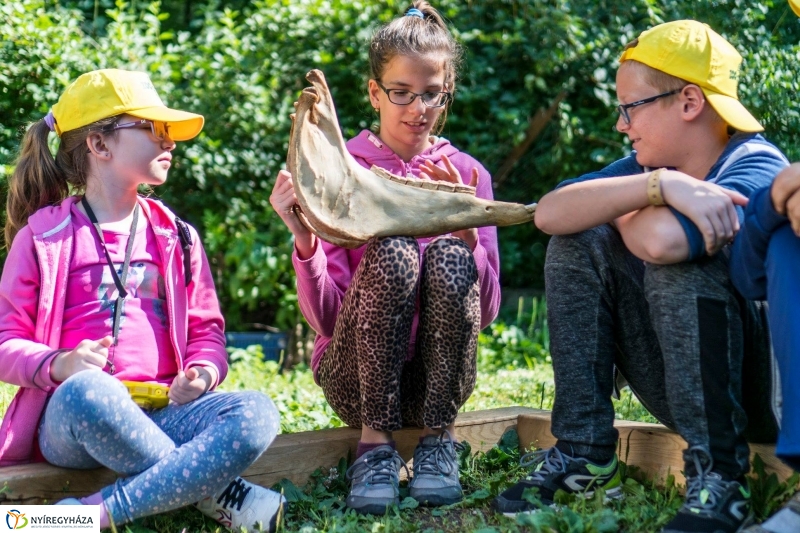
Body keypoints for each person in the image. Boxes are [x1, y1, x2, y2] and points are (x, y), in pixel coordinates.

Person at [491, 20, 788, 533]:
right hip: (682, 384)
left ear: (689, 102)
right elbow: (551, 214)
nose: (622, 125)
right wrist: (659, 186)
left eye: (630, 107)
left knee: (678, 262)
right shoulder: (654, 166)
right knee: (577, 239)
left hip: (759, 397)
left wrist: (624, 202)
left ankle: (720, 480)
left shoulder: (754, 167)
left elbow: (663, 244)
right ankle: (586, 452)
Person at [0, 69, 285, 532]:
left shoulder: (178, 236)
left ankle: (89, 516)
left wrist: (205, 370)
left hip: (164, 412)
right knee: (92, 392)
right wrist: (61, 364)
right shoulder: (44, 237)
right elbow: (4, 342)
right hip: (75, 417)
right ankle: (217, 494)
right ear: (99, 144)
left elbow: (206, 332)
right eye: (153, 129)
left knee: (256, 413)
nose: (169, 142)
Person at [270, 1, 500, 515]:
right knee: (395, 249)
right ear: (375, 92)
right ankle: (374, 449)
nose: (418, 108)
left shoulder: (467, 174)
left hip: (438, 386)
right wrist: (304, 241)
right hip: (356, 383)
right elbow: (328, 320)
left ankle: (438, 442)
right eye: (401, 93)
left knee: (446, 253)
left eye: (431, 94)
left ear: (447, 93)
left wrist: (467, 233)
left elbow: (484, 314)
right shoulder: (341, 170)